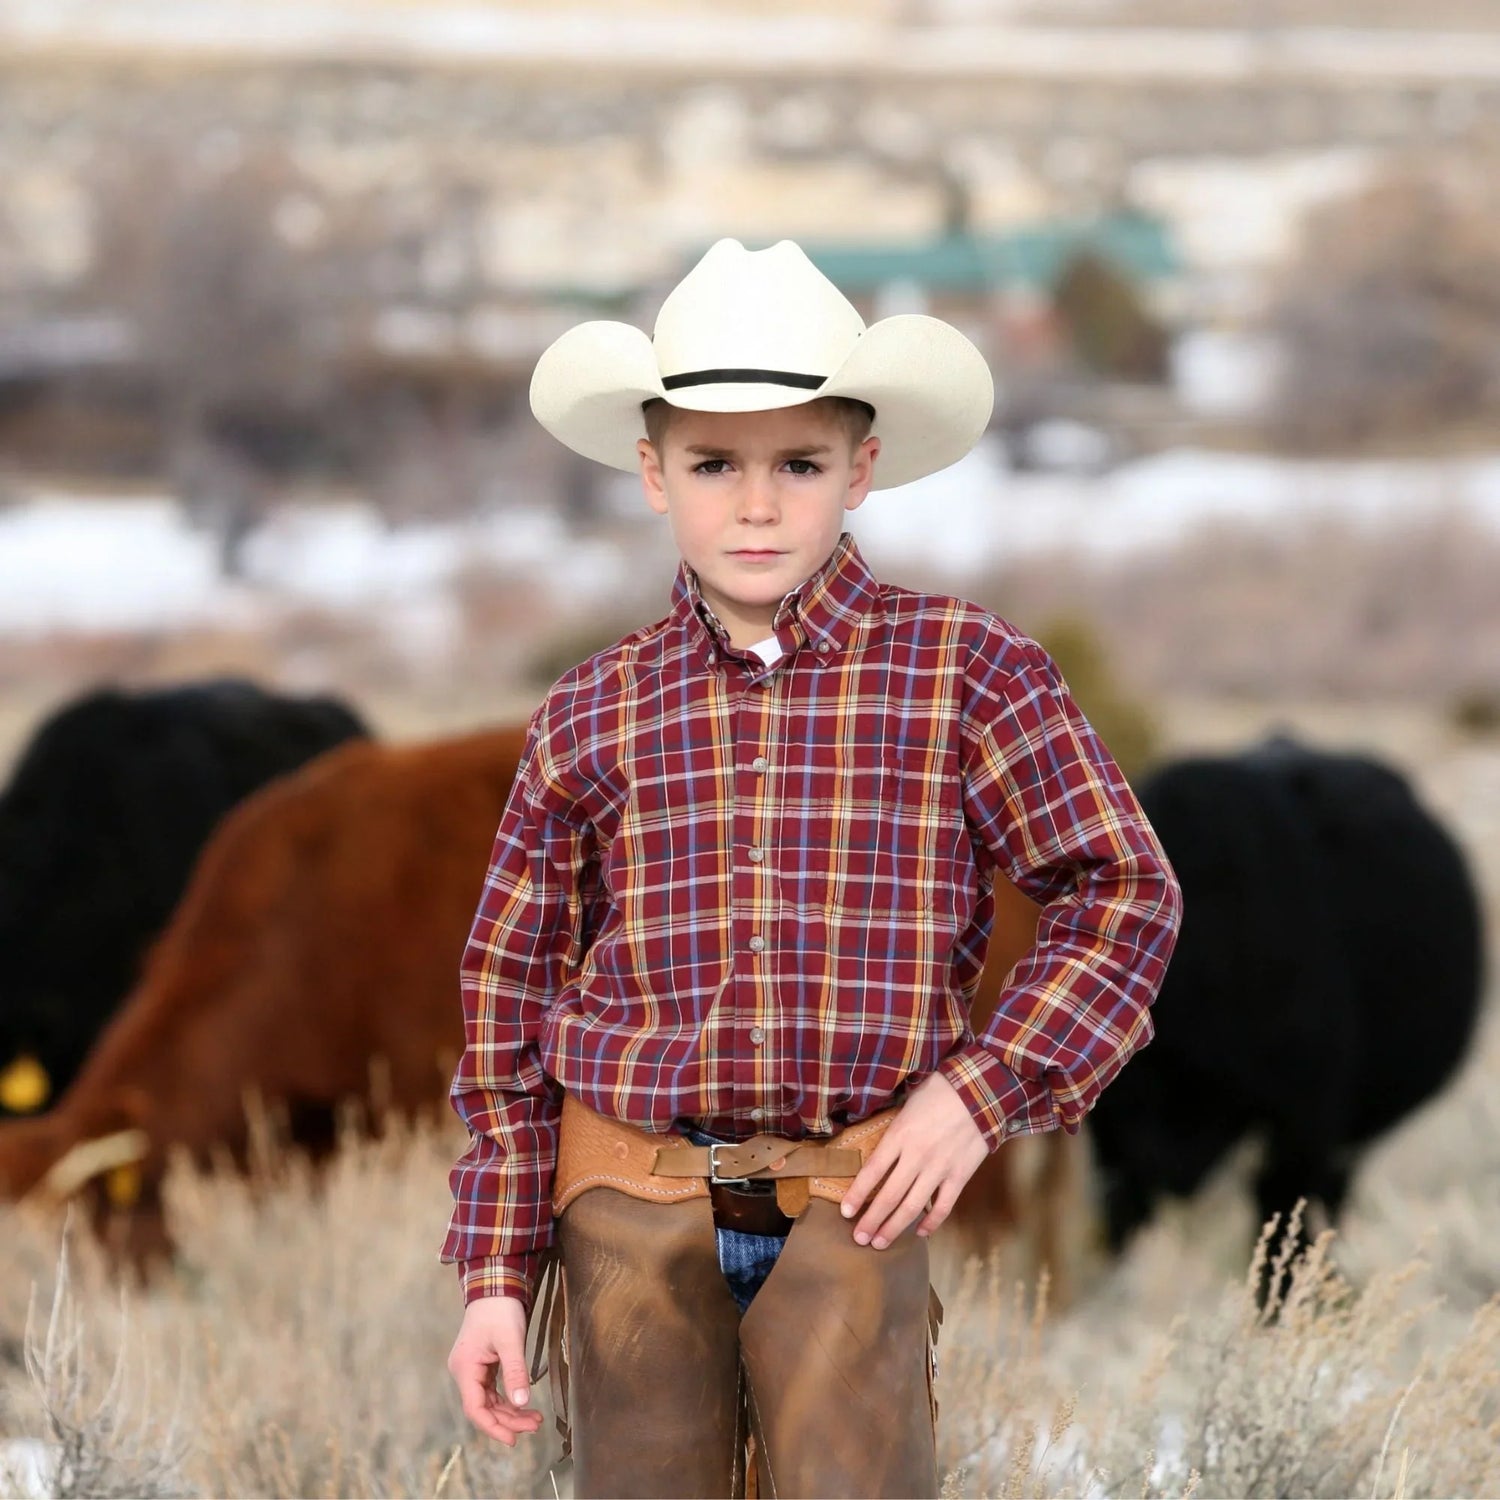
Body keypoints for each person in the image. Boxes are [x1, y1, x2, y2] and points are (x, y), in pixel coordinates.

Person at [441, 238, 1182, 1498]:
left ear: (862, 468)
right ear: (652, 473)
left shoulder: (968, 672)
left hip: (858, 1197)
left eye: (800, 463)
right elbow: (507, 1007)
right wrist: (497, 1275)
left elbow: (1119, 892)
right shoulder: (592, 711)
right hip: (629, 1203)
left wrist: (980, 1092)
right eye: (713, 464)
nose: (758, 503)